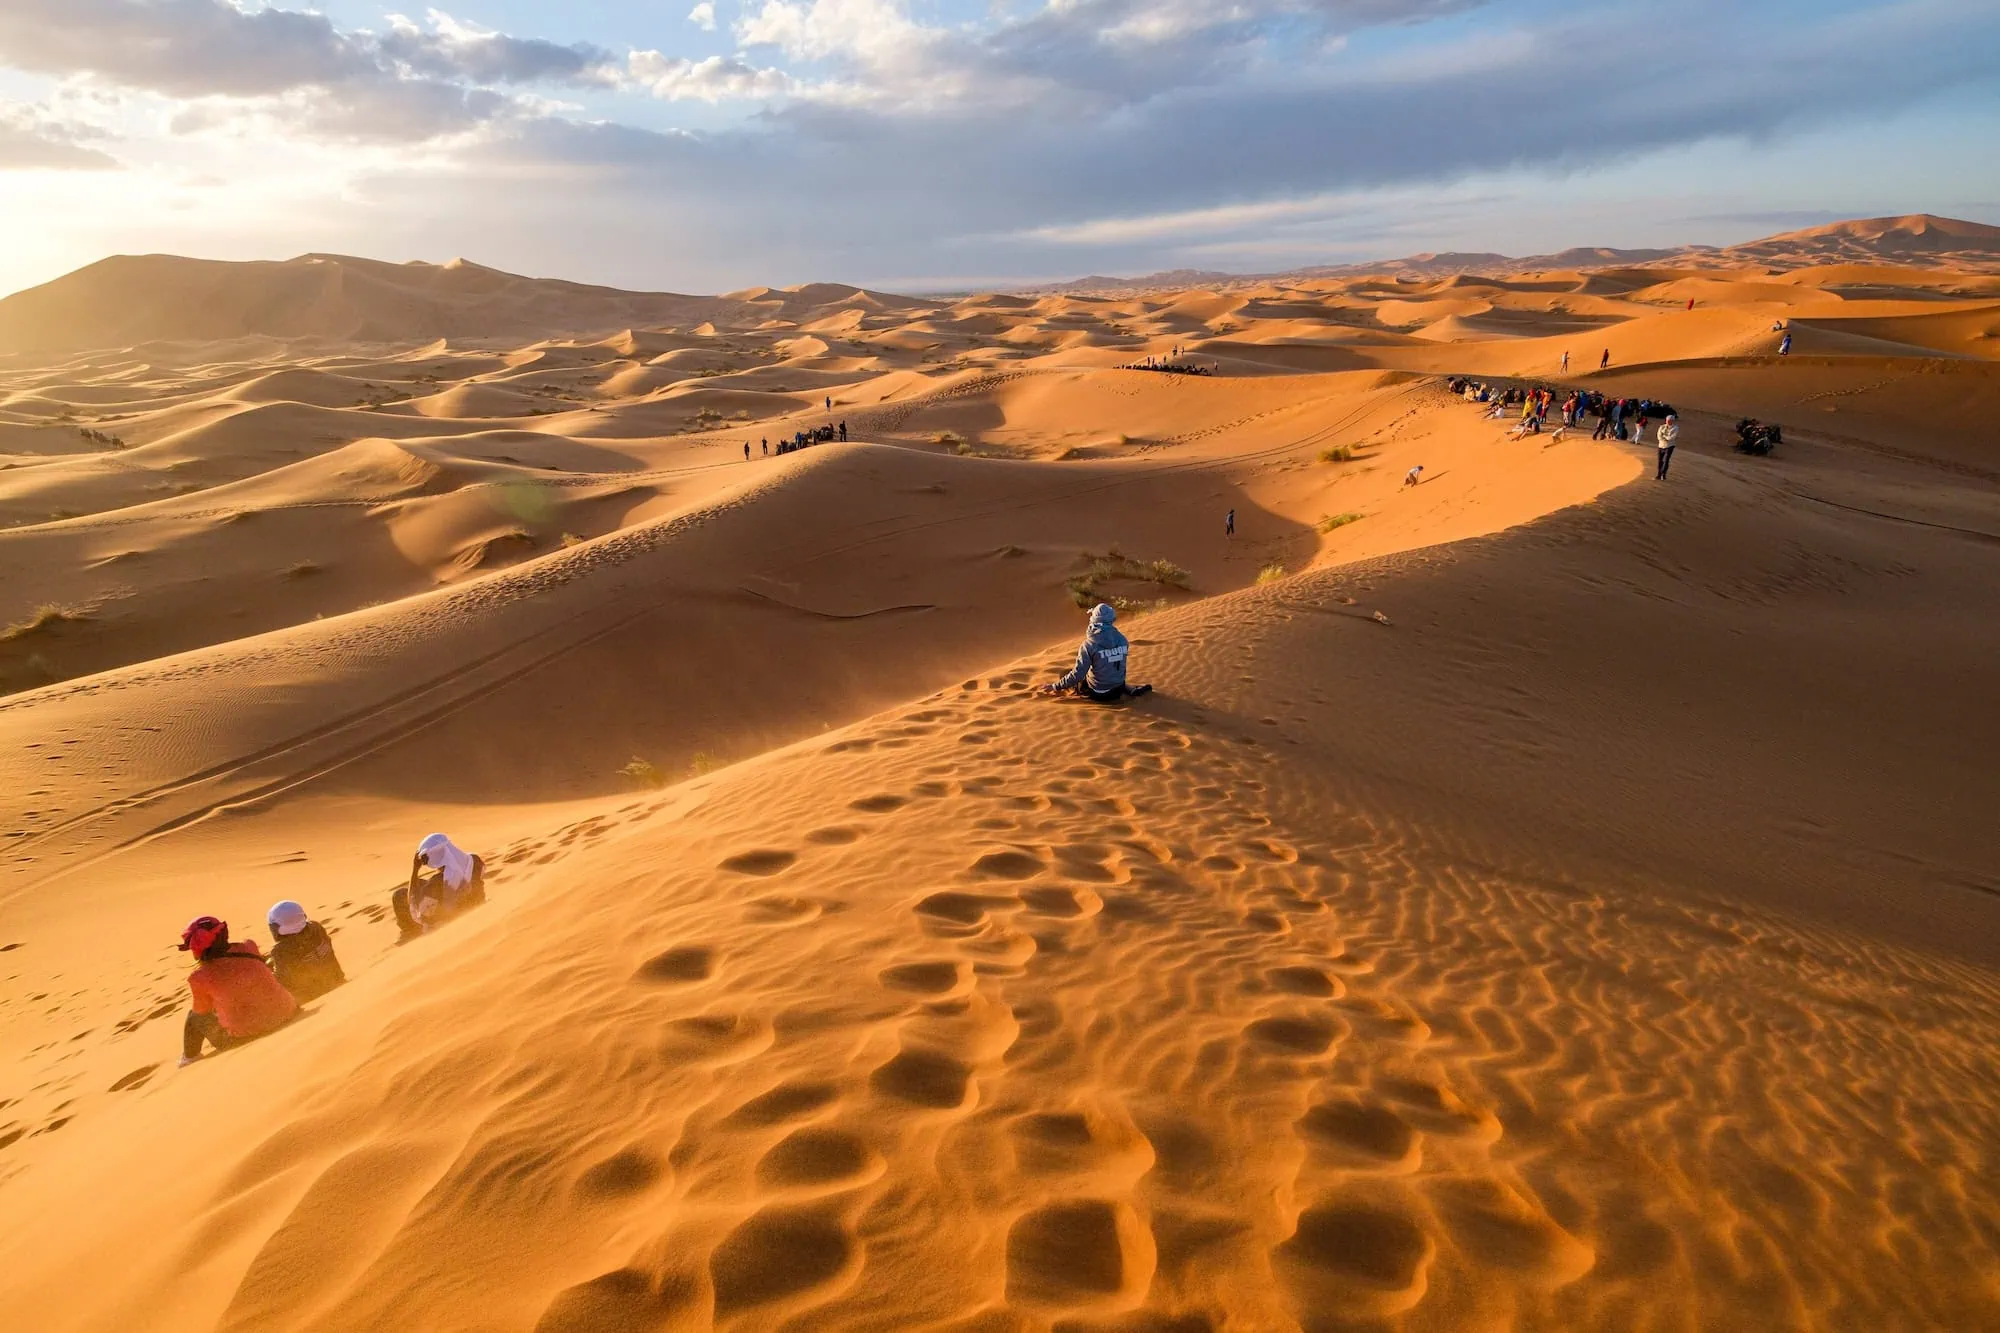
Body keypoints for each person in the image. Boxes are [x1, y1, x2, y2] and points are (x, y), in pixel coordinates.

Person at [177, 916, 298, 1066]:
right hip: (288, 1013)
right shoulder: (249, 947)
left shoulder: (198, 977)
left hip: (243, 1038)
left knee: (194, 1017)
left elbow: (202, 1010)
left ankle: (189, 1059)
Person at [1042, 603, 1150, 703]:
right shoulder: (1123, 640)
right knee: (1109, 671)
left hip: (1098, 693)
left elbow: (1078, 674)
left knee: (1064, 673)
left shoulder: (1089, 645)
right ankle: (1129, 690)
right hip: (1118, 690)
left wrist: (1055, 686)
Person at [394, 833, 487, 940]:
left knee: (400, 895)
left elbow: (413, 905)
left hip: (448, 923)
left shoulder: (436, 883)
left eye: (425, 859)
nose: (425, 863)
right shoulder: (473, 860)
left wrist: (415, 869)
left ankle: (410, 933)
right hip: (477, 904)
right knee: (420, 882)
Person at [266, 900, 347, 1003]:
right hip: (337, 980)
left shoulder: (280, 951)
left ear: (275, 928)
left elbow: (281, 982)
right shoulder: (317, 928)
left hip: (313, 998)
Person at [1655, 414, 1679, 479]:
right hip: (1661, 445)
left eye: (1669, 420)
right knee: (1660, 461)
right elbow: (1659, 436)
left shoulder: (1675, 428)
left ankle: (1663, 474)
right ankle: (1659, 474)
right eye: (1667, 420)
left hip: (1669, 446)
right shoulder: (1662, 427)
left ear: (1672, 421)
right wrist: (1664, 438)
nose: (1668, 421)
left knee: (1666, 460)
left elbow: (1672, 437)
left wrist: (1664, 437)